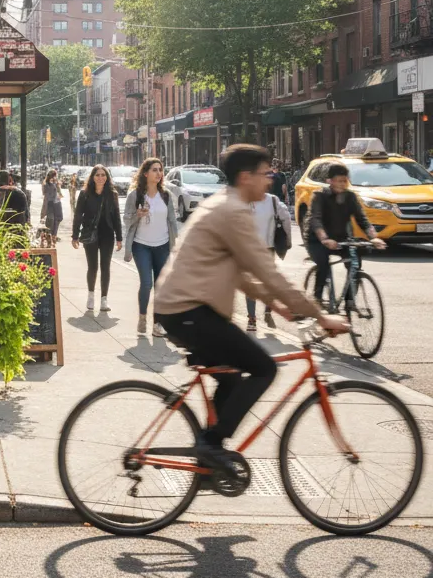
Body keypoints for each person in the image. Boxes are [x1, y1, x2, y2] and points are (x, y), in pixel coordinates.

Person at [154, 145, 349, 475]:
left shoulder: (226, 206)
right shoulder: (232, 212)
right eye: (265, 174)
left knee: (231, 376)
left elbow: (241, 272)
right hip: (189, 311)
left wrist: (278, 306)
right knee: (263, 368)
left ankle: (209, 455)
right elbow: (266, 270)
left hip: (183, 308)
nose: (270, 181)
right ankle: (211, 447)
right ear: (245, 177)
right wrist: (319, 314)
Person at [305, 163, 386, 306]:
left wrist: (374, 237)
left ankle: (349, 301)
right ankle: (316, 300)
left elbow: (362, 219)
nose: (342, 184)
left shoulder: (350, 197)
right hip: (317, 240)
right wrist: (324, 239)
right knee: (323, 266)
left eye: (345, 181)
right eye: (339, 181)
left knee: (354, 265)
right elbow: (315, 219)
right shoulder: (320, 196)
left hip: (341, 239)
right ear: (329, 181)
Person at [123, 158, 179, 336]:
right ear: (145, 173)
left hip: (162, 244)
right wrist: (137, 215)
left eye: (160, 170)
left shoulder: (166, 195)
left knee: (160, 286)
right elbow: (127, 219)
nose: (159, 173)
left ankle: (157, 324)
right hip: (141, 245)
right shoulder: (135, 196)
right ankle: (142, 317)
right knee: (146, 283)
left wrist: (175, 244)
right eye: (154, 170)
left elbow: (172, 221)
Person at [72, 164, 122, 314]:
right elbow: (78, 215)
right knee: (93, 267)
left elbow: (116, 217)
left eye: (103, 175)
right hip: (90, 234)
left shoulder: (112, 194)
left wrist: (119, 237)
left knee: (106, 267)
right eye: (98, 175)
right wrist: (75, 235)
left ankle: (104, 299)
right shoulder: (85, 194)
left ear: (107, 177)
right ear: (92, 177)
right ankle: (91, 295)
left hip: (107, 234)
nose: (101, 178)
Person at [244, 182, 293, 332]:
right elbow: (286, 220)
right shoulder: (272, 201)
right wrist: (288, 242)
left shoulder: (267, 201)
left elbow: (286, 219)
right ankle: (262, 313)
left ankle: (257, 316)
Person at [41, 169, 65, 241]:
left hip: (56, 202)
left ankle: (53, 235)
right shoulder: (47, 184)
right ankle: (52, 235)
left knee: (58, 218)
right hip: (52, 203)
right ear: (53, 176)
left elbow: (58, 193)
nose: (56, 177)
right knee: (53, 219)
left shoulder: (53, 183)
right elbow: (47, 194)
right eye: (55, 176)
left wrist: (57, 186)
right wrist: (55, 185)